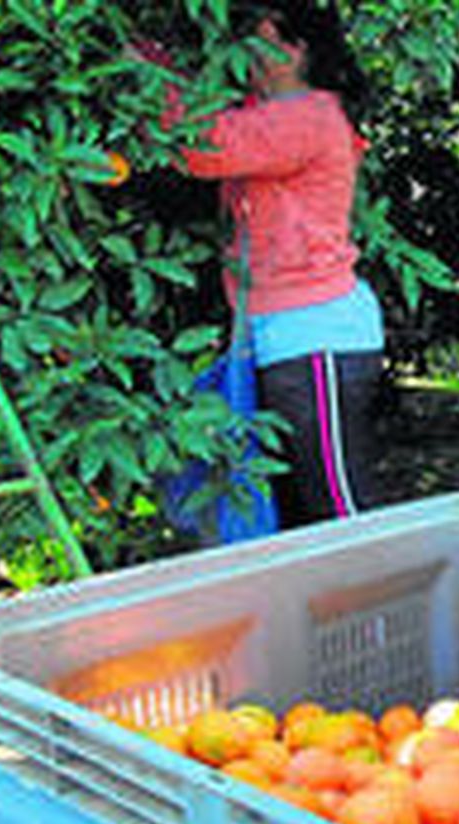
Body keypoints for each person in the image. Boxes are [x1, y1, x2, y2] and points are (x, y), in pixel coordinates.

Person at [149, 2, 383, 527]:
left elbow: (205, 144)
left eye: (258, 38)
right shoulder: (268, 111)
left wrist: (143, 69)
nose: (244, 51)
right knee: (294, 511)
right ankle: (320, 609)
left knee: (341, 508)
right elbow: (212, 126)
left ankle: (382, 609)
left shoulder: (311, 114)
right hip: (280, 335)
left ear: (295, 49)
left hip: (319, 337)